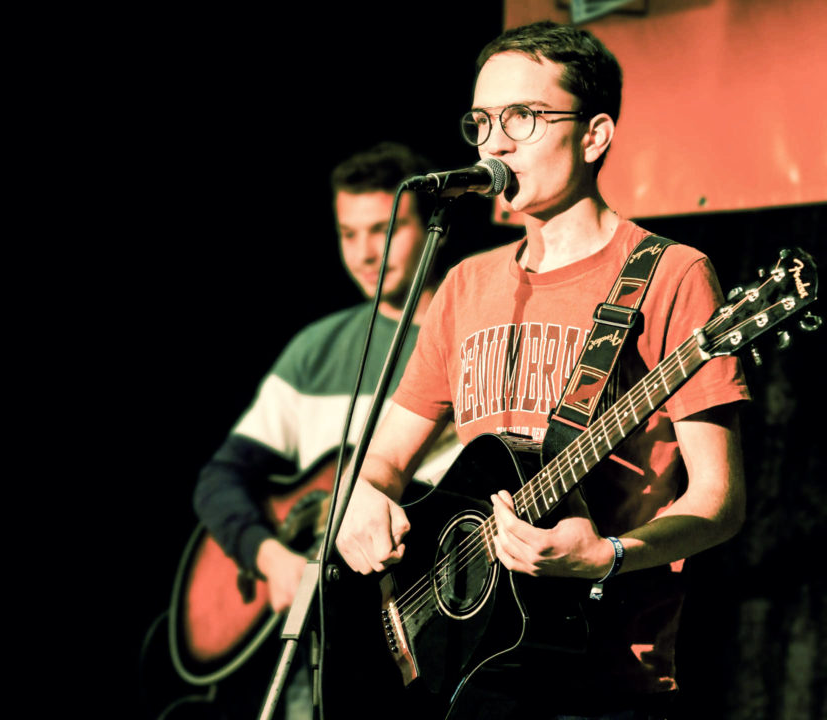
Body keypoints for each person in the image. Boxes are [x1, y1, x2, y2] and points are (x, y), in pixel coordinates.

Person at [335, 20, 750, 720]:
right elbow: (381, 464)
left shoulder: (671, 275)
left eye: (522, 118)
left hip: (603, 677)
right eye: (482, 121)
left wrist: (608, 553)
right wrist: (364, 498)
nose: (494, 143)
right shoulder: (465, 285)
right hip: (466, 675)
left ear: (594, 136)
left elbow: (719, 501)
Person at [191, 141, 461, 719]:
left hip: (429, 636)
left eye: (384, 230)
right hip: (315, 647)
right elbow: (219, 480)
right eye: (349, 233)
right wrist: (270, 559)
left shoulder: (473, 339)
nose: (367, 253)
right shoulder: (315, 349)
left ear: (430, 227)